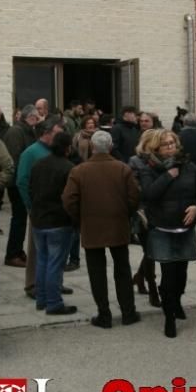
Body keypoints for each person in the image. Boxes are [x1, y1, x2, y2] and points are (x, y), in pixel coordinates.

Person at [62, 130, 141, 328]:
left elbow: (68, 200)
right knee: (122, 269)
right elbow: (134, 198)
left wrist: (80, 218)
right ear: (111, 147)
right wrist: (125, 214)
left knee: (96, 272)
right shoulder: (123, 169)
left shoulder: (79, 171)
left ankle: (104, 315)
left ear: (92, 147)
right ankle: (128, 313)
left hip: (91, 226)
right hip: (118, 225)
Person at [138, 129, 196, 338]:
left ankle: (177, 301)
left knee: (182, 275)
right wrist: (168, 176)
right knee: (169, 276)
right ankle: (169, 316)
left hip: (185, 229)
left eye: (172, 143)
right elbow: (149, 195)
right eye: (165, 144)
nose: (171, 147)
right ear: (155, 148)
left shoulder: (189, 166)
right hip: (162, 228)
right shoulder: (148, 168)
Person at [18, 117, 67, 298]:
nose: (61, 136)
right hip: (39, 209)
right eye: (58, 133)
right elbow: (22, 181)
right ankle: (33, 285)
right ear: (46, 133)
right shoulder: (31, 153)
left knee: (58, 249)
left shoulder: (56, 152)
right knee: (37, 249)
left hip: (57, 210)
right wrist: (31, 206)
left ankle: (55, 283)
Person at [29, 132, 77, 315]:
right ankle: (54, 302)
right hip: (59, 221)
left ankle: (41, 298)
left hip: (39, 219)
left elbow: (30, 188)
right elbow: (70, 198)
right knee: (55, 264)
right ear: (68, 148)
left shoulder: (39, 164)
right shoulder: (69, 168)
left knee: (43, 260)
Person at [128, 129, 164, 308]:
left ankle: (139, 278)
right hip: (143, 213)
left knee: (152, 250)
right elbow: (134, 189)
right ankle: (153, 290)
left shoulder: (162, 161)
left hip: (161, 211)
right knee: (151, 251)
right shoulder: (135, 162)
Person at [2, 105, 39, 268]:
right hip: (18, 182)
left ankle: (17, 251)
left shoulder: (28, 131)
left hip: (24, 181)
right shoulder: (16, 132)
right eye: (36, 117)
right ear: (29, 117)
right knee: (18, 218)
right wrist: (19, 181)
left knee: (21, 218)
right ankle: (12, 254)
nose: (38, 120)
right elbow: (13, 159)